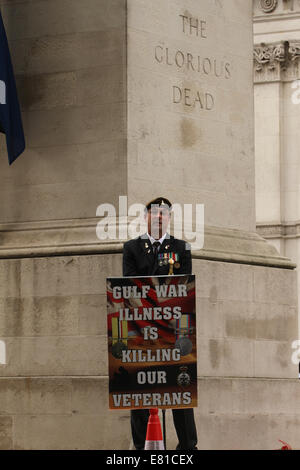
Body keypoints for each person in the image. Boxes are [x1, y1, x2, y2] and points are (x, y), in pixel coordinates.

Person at [122, 196, 198, 450]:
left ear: (169, 218)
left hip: (175, 327)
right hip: (142, 327)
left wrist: (157, 288)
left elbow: (184, 285)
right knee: (140, 387)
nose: (159, 217)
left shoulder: (182, 248)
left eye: (164, 213)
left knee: (180, 386)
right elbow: (132, 285)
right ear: (146, 217)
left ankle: (188, 446)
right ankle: (142, 447)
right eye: (154, 213)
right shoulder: (132, 248)